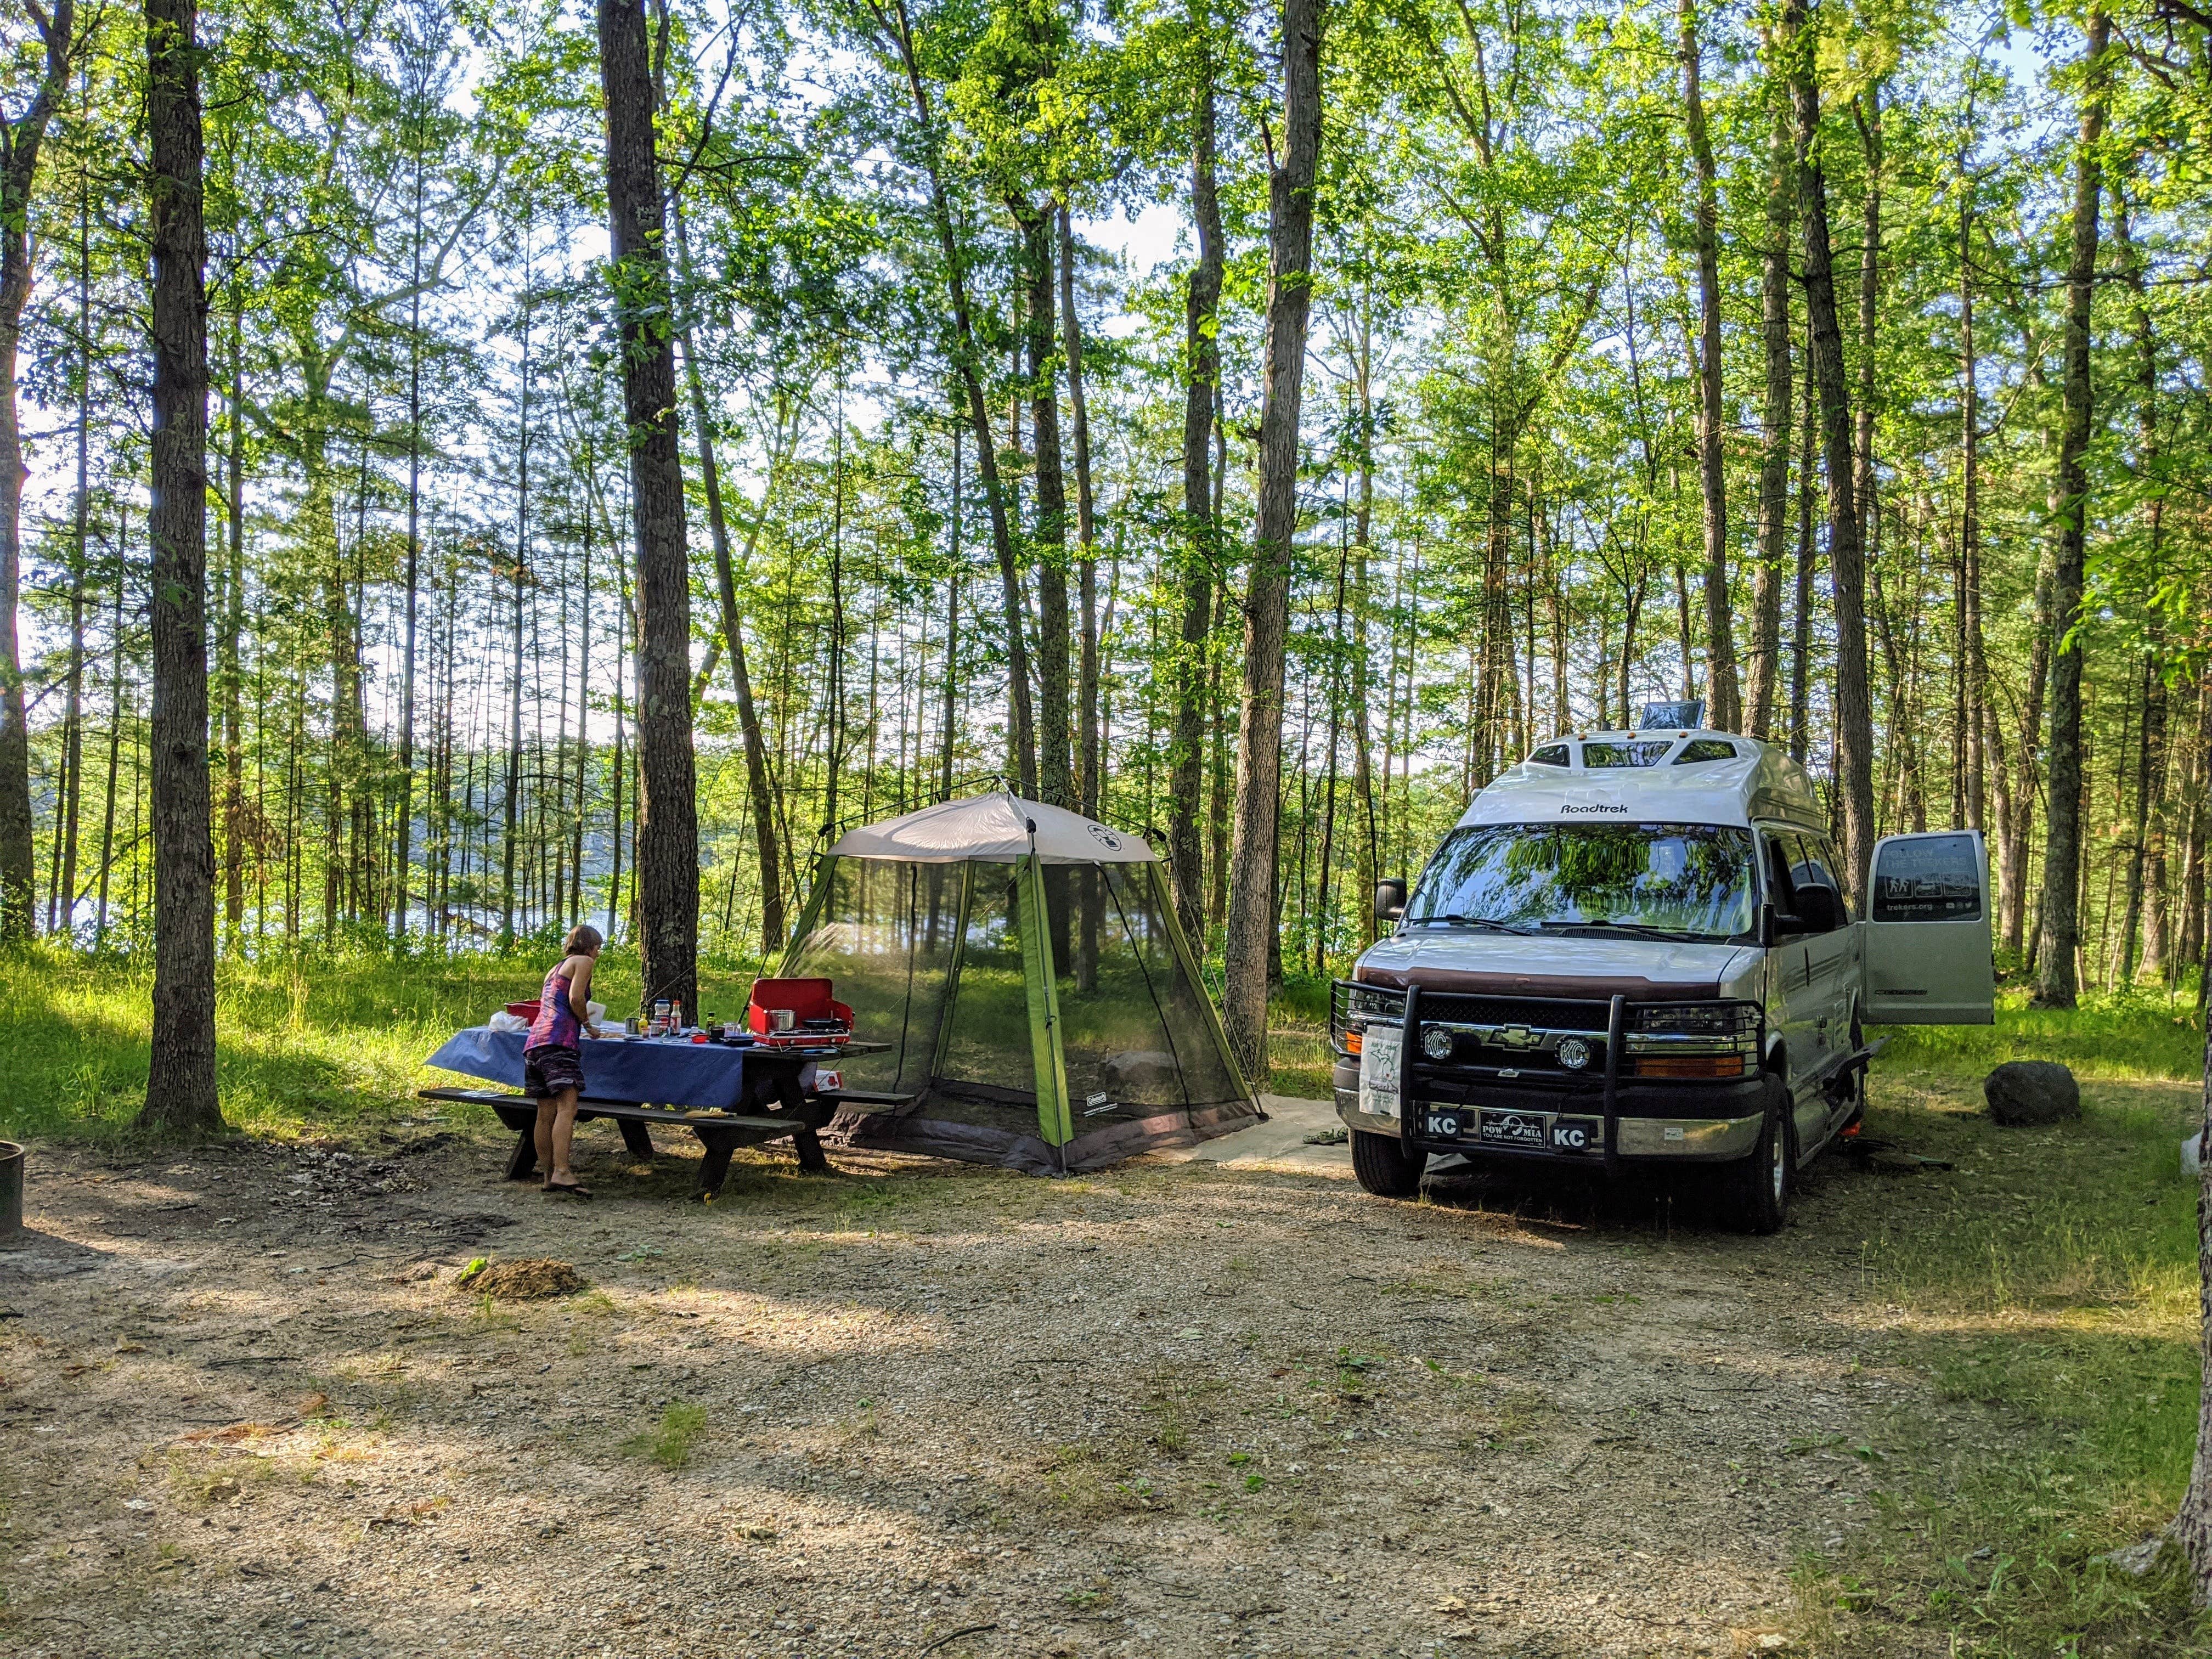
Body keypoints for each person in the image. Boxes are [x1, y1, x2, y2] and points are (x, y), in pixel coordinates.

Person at [524, 925, 602, 1197]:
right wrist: (587, 1023)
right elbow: (576, 998)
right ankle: (563, 1171)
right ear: (590, 947)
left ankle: (548, 1176)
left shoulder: (554, 969)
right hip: (559, 1042)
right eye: (598, 948)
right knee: (567, 1107)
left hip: (535, 1044)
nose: (598, 954)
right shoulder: (584, 962)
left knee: (544, 1113)